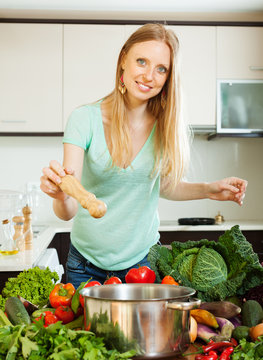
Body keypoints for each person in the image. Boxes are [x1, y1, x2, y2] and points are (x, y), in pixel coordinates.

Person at [40, 23, 247, 290]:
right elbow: (68, 206)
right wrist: (60, 195)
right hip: (85, 265)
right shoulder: (84, 119)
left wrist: (209, 189)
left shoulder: (165, 125)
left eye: (161, 69)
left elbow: (161, 185)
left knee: (141, 334)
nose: (149, 75)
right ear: (124, 59)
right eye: (142, 61)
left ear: (168, 77)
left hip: (142, 265)